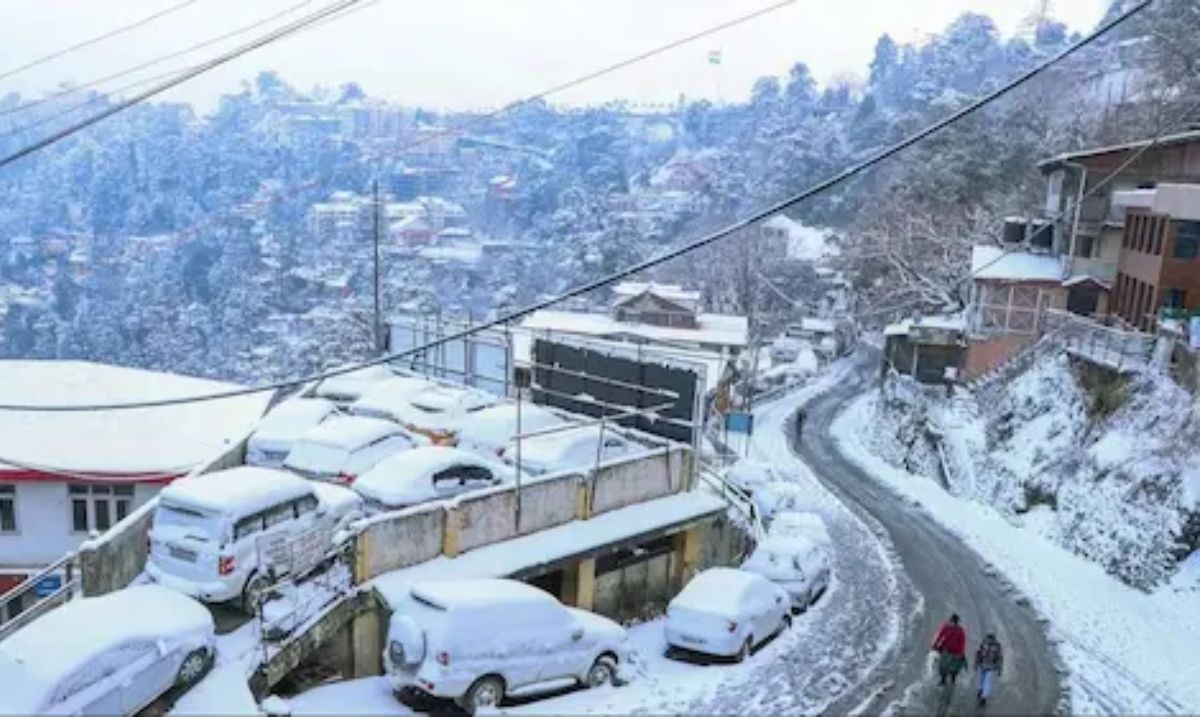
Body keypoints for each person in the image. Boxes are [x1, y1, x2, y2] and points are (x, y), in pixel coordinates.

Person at [931, 613, 968, 687]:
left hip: (956, 652)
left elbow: (962, 642)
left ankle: (953, 677)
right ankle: (943, 679)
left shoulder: (960, 631)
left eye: (953, 621)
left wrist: (961, 653)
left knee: (954, 666)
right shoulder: (946, 627)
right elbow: (940, 636)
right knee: (942, 665)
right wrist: (935, 645)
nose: (952, 623)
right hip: (946, 650)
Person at [974, 632, 1003, 708]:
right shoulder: (997, 646)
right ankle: (983, 696)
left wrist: (976, 664)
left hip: (984, 666)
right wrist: (999, 669)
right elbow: (1000, 658)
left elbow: (978, 654)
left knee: (982, 680)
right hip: (990, 667)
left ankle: (981, 693)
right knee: (986, 682)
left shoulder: (984, 643)